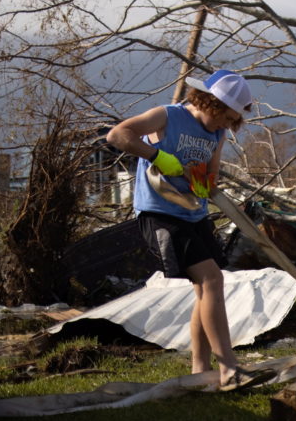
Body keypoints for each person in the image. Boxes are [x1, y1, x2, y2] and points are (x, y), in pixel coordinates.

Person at [106, 69, 258, 390]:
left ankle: (199, 370)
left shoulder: (218, 134)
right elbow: (117, 136)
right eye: (224, 117)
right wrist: (158, 155)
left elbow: (212, 173)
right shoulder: (167, 116)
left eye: (232, 121)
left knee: (205, 290)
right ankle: (229, 368)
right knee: (212, 280)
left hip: (193, 215)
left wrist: (204, 182)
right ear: (209, 101)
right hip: (161, 214)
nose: (225, 125)